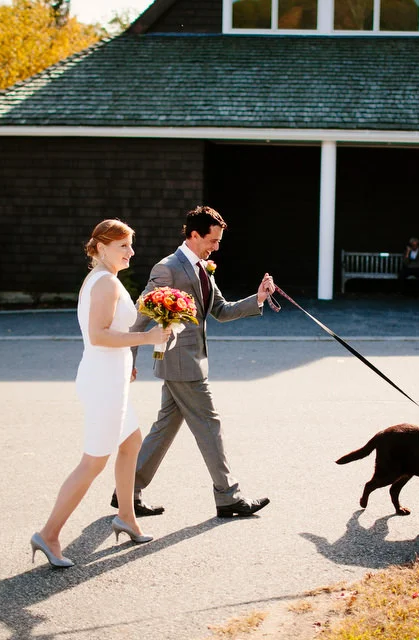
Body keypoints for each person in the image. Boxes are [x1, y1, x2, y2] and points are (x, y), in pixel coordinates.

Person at [112, 205, 275, 519]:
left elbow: (221, 311)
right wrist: (128, 359)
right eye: (213, 240)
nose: (216, 247)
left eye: (218, 242)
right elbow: (139, 317)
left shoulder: (203, 268)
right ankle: (229, 497)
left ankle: (126, 491)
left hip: (191, 361)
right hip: (180, 363)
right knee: (210, 425)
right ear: (194, 235)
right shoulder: (167, 269)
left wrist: (258, 298)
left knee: (164, 428)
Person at [30, 220, 172, 568]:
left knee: (131, 442)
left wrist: (127, 363)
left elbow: (109, 334)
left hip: (111, 377)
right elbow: (99, 335)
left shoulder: (104, 278)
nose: (131, 252)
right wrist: (147, 338)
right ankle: (48, 534)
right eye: (123, 245)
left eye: (131, 245)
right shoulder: (105, 282)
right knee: (93, 461)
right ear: (102, 247)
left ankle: (126, 517)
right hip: (103, 382)